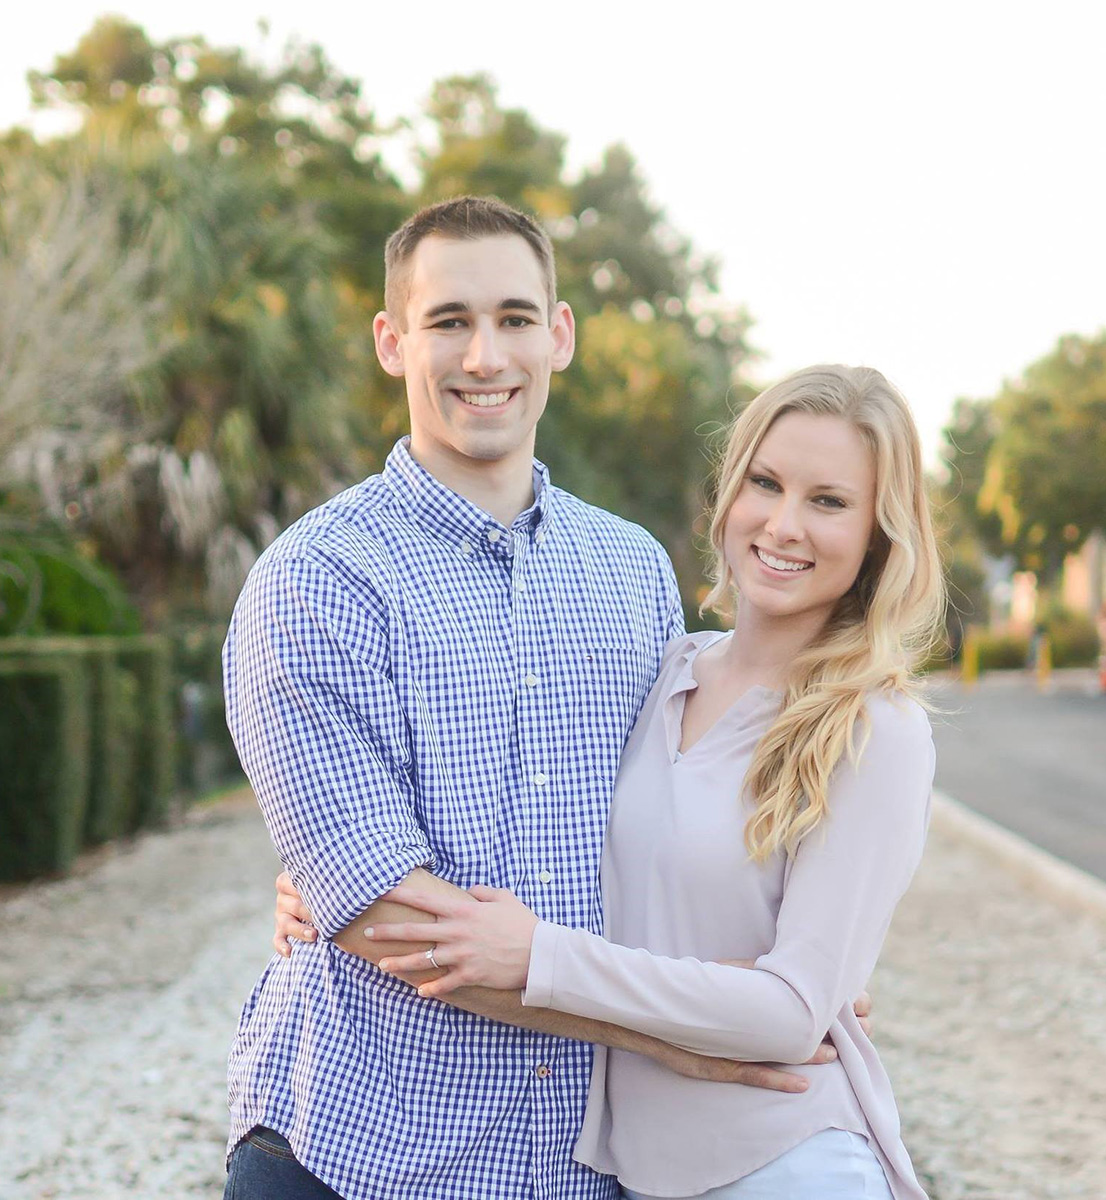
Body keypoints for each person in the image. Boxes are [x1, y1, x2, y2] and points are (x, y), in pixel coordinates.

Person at [224, 196, 863, 1200]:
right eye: (449, 322)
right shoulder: (315, 582)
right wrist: (680, 1033)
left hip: (588, 1162)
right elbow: (393, 918)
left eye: (516, 318)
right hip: (368, 1151)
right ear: (393, 343)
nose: (486, 356)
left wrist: (792, 971)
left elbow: (685, 822)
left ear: (558, 336)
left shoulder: (635, 573)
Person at [278, 365, 943, 1198]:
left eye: (829, 501)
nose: (782, 524)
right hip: (631, 1176)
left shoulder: (876, 728)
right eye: (765, 483)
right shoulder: (664, 673)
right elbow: (543, 809)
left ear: (881, 536)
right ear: (729, 494)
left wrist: (541, 957)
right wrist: (332, 877)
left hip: (783, 1162)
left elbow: (789, 1015)